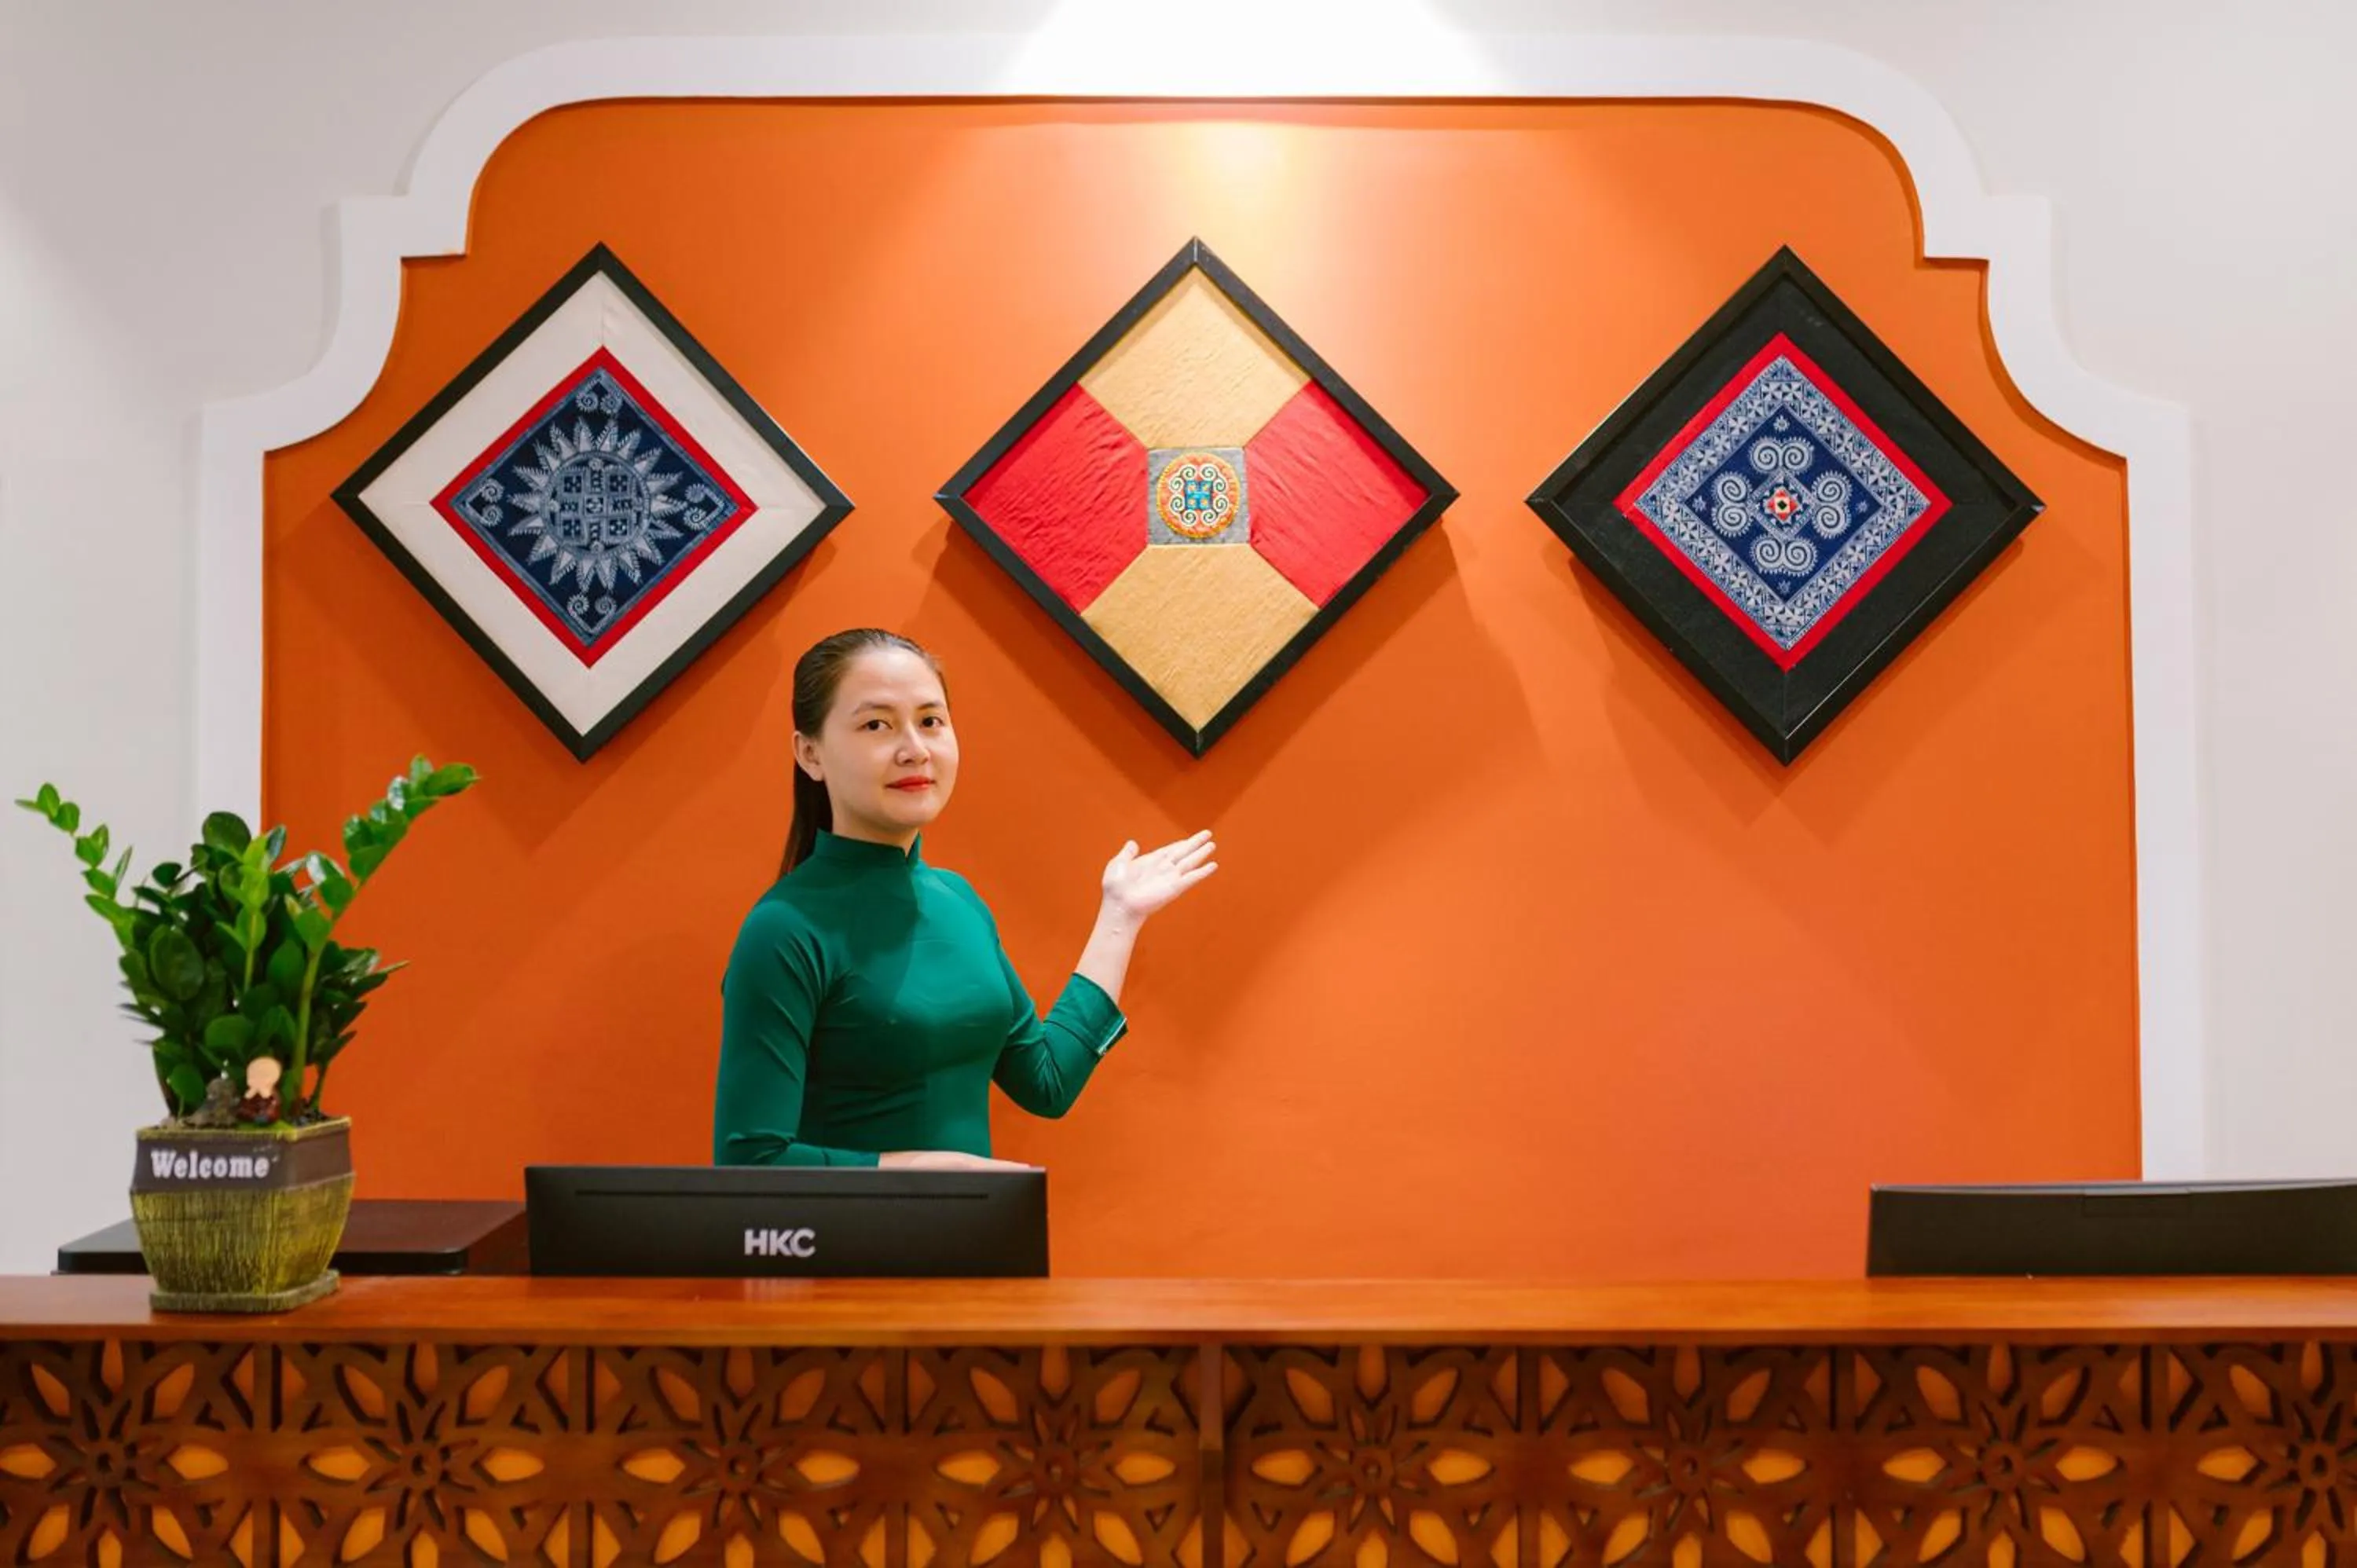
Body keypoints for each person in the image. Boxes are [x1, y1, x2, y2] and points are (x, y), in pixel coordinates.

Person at [713, 628, 1217, 1169]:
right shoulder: (784, 929)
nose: (915, 749)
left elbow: (1046, 1083)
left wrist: (1120, 916)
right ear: (810, 754)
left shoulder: (958, 900)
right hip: (849, 1251)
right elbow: (751, 1161)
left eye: (931, 721)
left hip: (973, 1247)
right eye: (877, 725)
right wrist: (927, 1173)